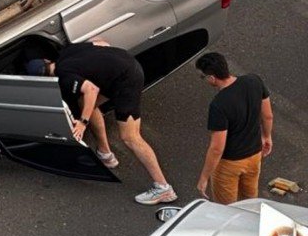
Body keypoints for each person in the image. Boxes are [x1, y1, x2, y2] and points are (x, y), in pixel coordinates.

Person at [28, 40, 177, 205]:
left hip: (126, 81)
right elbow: (101, 42)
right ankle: (105, 154)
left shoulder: (64, 76)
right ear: (47, 61)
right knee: (85, 103)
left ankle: (163, 188)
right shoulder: (67, 52)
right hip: (124, 62)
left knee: (130, 137)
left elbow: (91, 90)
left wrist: (82, 123)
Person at [195, 52, 273, 204]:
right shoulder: (254, 81)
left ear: (211, 77)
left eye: (202, 77)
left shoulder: (219, 105)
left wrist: (204, 178)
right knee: (250, 203)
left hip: (229, 164)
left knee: (228, 209)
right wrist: (267, 136)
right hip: (254, 156)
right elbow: (268, 116)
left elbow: (217, 148)